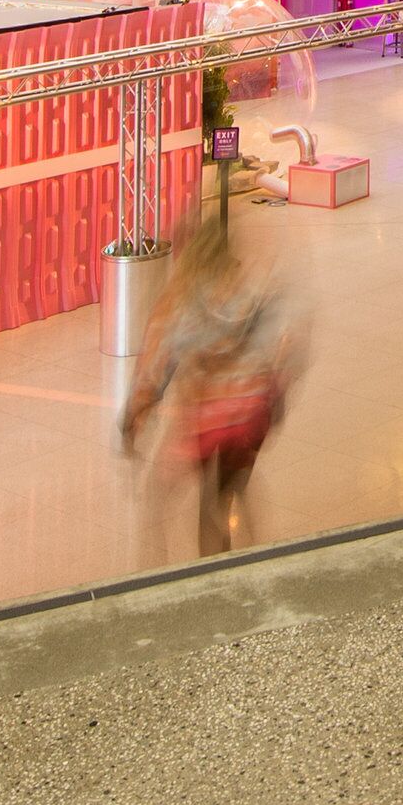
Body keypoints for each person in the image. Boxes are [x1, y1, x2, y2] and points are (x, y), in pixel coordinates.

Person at [120, 215, 299, 556]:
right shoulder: (249, 289)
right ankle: (253, 558)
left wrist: (134, 416)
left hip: (209, 419)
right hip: (251, 415)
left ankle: (188, 571)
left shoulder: (180, 300)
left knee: (170, 498)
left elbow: (155, 366)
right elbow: (277, 345)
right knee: (229, 493)